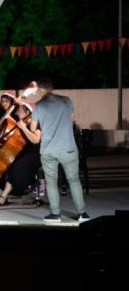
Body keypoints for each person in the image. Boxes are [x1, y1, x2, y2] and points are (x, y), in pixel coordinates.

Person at [16, 77, 89, 222]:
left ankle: (55, 214)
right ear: (52, 87)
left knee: (51, 182)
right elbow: (70, 120)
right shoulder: (67, 101)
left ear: (40, 89)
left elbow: (33, 132)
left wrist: (25, 125)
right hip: (68, 147)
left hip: (49, 150)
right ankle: (82, 214)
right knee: (74, 180)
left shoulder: (38, 106)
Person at [0, 102, 41, 206]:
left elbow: (36, 140)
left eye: (20, 110)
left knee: (17, 166)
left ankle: (3, 197)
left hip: (34, 154)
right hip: (22, 152)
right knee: (3, 164)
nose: (18, 112)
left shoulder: (36, 123)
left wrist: (23, 128)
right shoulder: (21, 123)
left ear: (28, 112)